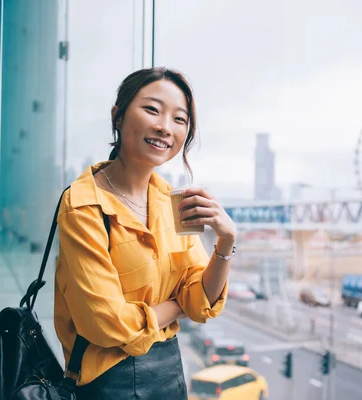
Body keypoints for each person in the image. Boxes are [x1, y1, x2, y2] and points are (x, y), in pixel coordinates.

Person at [54, 67, 236, 399]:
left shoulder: (173, 200)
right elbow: (107, 324)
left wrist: (226, 242)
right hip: (108, 383)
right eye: (152, 109)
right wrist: (174, 305)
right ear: (118, 116)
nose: (165, 127)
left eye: (179, 120)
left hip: (167, 376)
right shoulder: (83, 204)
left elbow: (200, 302)